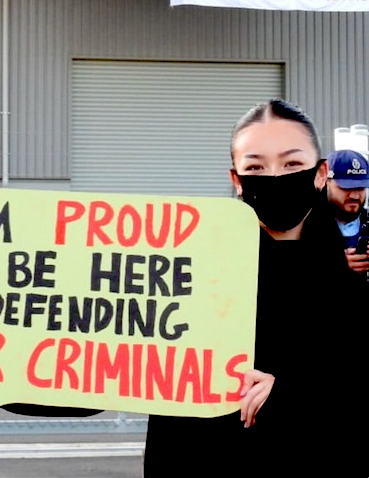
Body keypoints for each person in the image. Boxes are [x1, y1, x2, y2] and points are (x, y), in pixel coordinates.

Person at [144, 99, 369, 477]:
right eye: (256, 166)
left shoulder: (350, 286)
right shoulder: (194, 277)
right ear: (237, 180)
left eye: (292, 163)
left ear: (320, 173)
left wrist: (293, 395)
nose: (276, 177)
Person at [326, 148, 369, 276]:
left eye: (360, 188)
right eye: (346, 187)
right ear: (325, 182)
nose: (355, 196)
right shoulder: (303, 227)